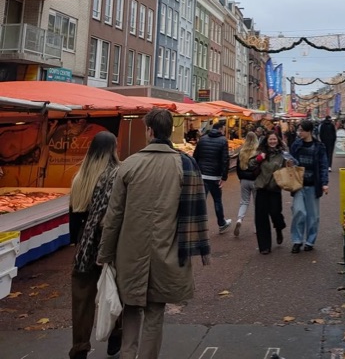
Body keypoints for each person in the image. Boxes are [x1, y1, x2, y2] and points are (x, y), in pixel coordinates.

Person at [98, 108, 210, 359]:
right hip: (167, 250)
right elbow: (193, 213)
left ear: (149, 131)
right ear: (169, 131)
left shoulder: (129, 165)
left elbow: (113, 216)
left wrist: (104, 253)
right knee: (155, 312)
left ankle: (128, 354)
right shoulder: (185, 164)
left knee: (130, 309)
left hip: (130, 252)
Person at [69, 131, 121, 359]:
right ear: (113, 149)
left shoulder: (80, 177)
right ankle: (115, 337)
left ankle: (80, 346)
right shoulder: (117, 175)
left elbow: (74, 216)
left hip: (84, 245)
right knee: (114, 290)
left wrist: (78, 243)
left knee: (81, 298)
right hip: (108, 243)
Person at [290, 120, 329, 253]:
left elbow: (323, 165)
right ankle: (297, 240)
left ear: (308, 131)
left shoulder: (319, 146)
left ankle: (310, 241)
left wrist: (324, 183)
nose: (299, 133)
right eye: (298, 130)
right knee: (299, 212)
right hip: (298, 185)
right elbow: (290, 160)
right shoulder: (296, 145)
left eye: (301, 130)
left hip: (313, 184)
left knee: (313, 216)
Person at [250, 131, 288, 254]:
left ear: (278, 140)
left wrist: (289, 165)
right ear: (266, 141)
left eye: (274, 139)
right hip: (261, 188)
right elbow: (250, 164)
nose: (272, 141)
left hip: (275, 188)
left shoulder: (282, 155)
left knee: (276, 214)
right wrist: (259, 158)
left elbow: (289, 168)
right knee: (261, 218)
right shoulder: (260, 152)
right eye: (270, 139)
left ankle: (279, 228)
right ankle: (264, 246)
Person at [193, 119, 232, 233]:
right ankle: (221, 223)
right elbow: (225, 160)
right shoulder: (223, 140)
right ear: (220, 129)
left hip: (202, 174)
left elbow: (196, 156)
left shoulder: (203, 139)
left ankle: (196, 224)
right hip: (215, 176)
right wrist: (224, 177)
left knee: (200, 200)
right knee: (217, 200)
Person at [234, 131, 259, 237]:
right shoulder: (257, 151)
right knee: (256, 203)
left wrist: (241, 178)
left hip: (244, 180)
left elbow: (237, 167)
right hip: (255, 180)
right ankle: (256, 226)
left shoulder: (242, 151)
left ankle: (239, 219)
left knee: (244, 202)